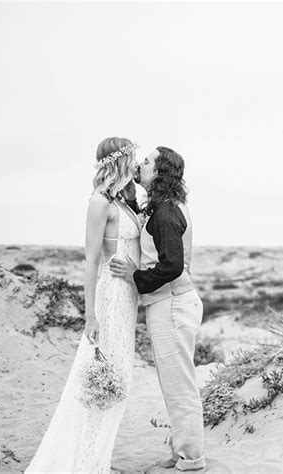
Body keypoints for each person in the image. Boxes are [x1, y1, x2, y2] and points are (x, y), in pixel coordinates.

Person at [25, 137, 141, 473]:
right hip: (110, 298)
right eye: (132, 157)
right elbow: (90, 261)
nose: (135, 163)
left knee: (118, 380)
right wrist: (91, 314)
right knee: (105, 379)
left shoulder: (122, 200)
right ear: (119, 161)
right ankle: (89, 463)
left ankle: (96, 458)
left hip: (127, 298)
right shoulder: (99, 203)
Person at [110, 146, 206, 471]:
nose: (140, 164)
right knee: (173, 383)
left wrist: (135, 277)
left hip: (173, 305)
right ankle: (183, 452)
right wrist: (132, 198)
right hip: (170, 305)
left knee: (179, 385)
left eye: (147, 161)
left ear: (160, 171)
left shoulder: (166, 211)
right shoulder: (165, 206)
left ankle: (191, 459)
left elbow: (173, 265)